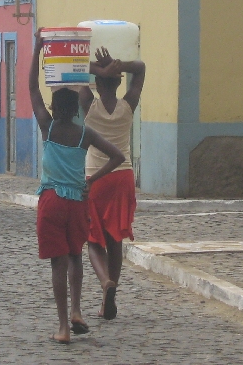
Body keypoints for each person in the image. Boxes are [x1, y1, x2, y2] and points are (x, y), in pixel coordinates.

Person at [29, 30, 125, 344]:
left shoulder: (49, 128)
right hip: (78, 202)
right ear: (77, 110)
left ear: (56, 109)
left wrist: (37, 50)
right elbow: (118, 156)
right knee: (75, 258)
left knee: (58, 263)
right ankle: (77, 311)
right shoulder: (85, 134)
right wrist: (92, 180)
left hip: (52, 199)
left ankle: (62, 327)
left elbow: (32, 88)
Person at [79, 47, 145, 321]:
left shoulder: (89, 107)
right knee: (115, 237)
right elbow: (140, 67)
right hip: (123, 176)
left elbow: (77, 67)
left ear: (97, 84)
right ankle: (111, 292)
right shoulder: (127, 105)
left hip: (96, 177)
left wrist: (100, 68)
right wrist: (118, 65)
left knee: (93, 240)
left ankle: (105, 280)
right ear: (119, 82)